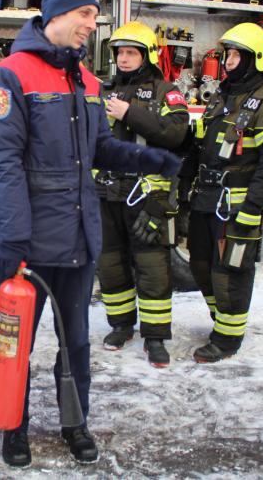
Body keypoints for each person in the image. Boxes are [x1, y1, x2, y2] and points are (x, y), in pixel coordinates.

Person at [0, 0, 182, 467]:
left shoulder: (87, 82)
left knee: (75, 342)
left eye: (95, 16)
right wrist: (12, 237)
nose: (94, 25)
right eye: (87, 15)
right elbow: (3, 162)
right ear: (57, 15)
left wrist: (150, 157)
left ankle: (75, 423)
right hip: (26, 241)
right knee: (18, 348)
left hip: (77, 235)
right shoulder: (11, 75)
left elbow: (100, 150)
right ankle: (13, 427)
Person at [178, 22, 263, 363]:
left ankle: (228, 339)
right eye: (227, 54)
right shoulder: (224, 97)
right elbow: (202, 145)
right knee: (200, 264)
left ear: (254, 59)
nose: (227, 61)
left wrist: (254, 207)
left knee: (232, 271)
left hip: (237, 204)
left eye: (234, 55)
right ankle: (222, 321)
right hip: (206, 199)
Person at [96, 21, 190, 368]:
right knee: (110, 266)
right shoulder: (103, 91)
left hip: (146, 197)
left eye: (131, 52)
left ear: (147, 55)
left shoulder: (167, 92)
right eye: (119, 52)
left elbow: (177, 135)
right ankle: (121, 326)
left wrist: (130, 113)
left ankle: (155, 337)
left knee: (152, 268)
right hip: (106, 194)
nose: (123, 58)